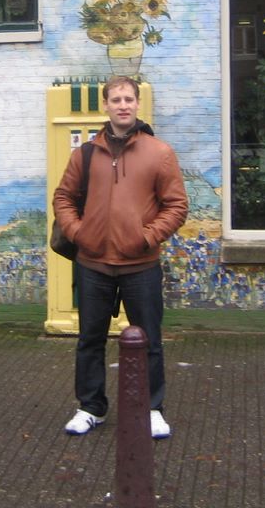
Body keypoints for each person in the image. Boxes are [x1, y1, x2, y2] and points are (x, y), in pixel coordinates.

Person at [52, 76, 188, 439]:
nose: (123, 105)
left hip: (141, 266)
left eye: (129, 99)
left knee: (150, 341)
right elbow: (63, 198)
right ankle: (90, 407)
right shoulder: (85, 154)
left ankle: (152, 409)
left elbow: (176, 206)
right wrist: (79, 233)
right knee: (89, 339)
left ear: (137, 104)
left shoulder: (159, 152)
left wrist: (147, 237)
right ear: (106, 105)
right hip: (93, 264)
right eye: (116, 99)